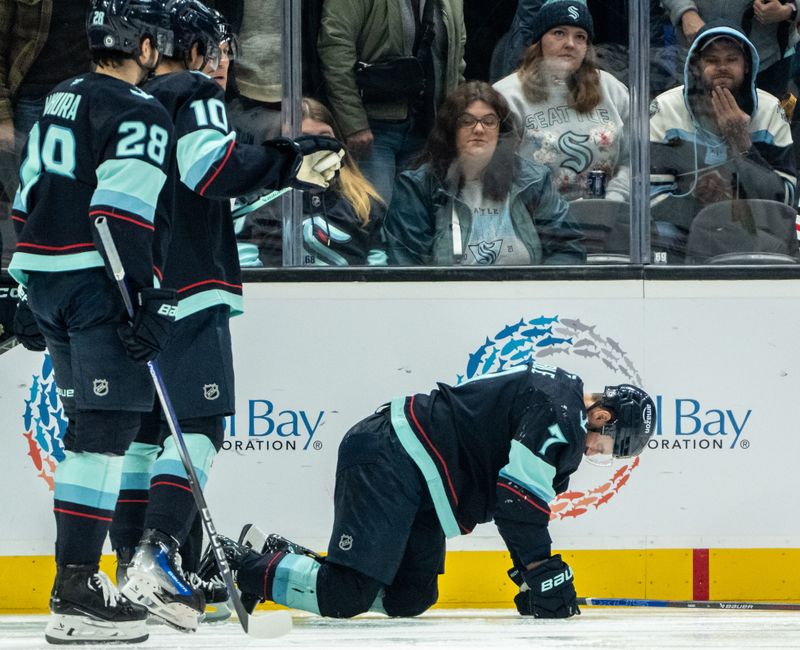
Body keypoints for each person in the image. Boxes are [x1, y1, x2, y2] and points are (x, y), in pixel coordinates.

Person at [104, 0, 344, 634]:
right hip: (190, 290)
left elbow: (189, 194)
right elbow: (210, 171)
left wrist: (279, 175)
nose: (227, 61)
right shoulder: (190, 89)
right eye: (221, 48)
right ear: (197, 49)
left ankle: (132, 563)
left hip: (134, 294)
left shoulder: (127, 102)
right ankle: (158, 555)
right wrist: (288, 158)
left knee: (147, 438)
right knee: (201, 423)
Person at [202, 363, 656, 620]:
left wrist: (533, 574)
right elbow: (518, 503)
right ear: (602, 418)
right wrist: (542, 572)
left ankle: (278, 553)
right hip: (394, 456)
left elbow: (517, 502)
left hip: (422, 483)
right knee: (346, 596)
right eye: (608, 445)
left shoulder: (557, 406)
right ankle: (238, 564)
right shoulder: (560, 415)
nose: (597, 451)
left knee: (411, 597)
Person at [7, 0, 178, 644]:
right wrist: (142, 298)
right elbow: (118, 212)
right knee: (104, 431)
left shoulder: (60, 97)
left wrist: (24, 278)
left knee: (91, 430)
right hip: (93, 286)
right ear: (143, 47)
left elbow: (28, 195)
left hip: (49, 283)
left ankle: (75, 585)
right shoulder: (139, 109)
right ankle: (76, 591)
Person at [382, 81, 585, 266]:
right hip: (448, 300)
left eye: (489, 121)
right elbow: (406, 265)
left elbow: (568, 250)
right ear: (450, 129)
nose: (478, 129)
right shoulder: (418, 187)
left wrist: (539, 297)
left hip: (524, 299)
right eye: (467, 121)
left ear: (501, 131)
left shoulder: (533, 181)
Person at [649, 20, 797, 261]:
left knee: (780, 245)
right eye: (712, 60)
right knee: (658, 238)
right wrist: (697, 198)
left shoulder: (770, 110)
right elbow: (651, 196)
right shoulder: (666, 108)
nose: (722, 67)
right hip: (682, 231)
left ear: (747, 65)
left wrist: (741, 142)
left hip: (752, 229)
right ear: (696, 65)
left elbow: (787, 199)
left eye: (731, 59)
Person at [317, 0, 467, 204]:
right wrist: (354, 123)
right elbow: (335, 53)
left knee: (415, 217)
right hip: (374, 128)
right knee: (376, 215)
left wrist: (454, 121)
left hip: (428, 129)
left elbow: (456, 62)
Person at [493, 0, 631, 204]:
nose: (570, 44)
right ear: (539, 41)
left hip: (607, 218)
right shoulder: (507, 95)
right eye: (559, 33)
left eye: (580, 37)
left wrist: (613, 201)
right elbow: (494, 175)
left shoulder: (612, 89)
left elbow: (635, 160)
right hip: (535, 223)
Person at [238, 97, 387, 266]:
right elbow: (245, 268)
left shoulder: (364, 202)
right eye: (305, 138)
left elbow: (378, 269)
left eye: (326, 137)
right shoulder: (254, 202)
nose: (319, 146)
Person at [661, 0, 800, 98]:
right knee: (690, 129)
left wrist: (791, 9)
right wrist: (685, 11)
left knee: (765, 131)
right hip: (695, 54)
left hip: (767, 62)